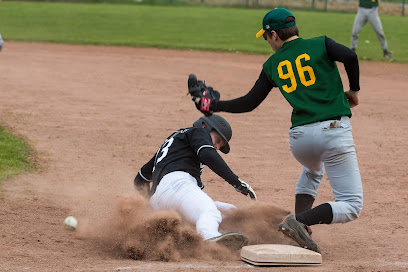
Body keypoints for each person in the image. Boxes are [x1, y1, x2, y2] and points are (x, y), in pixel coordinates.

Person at [188, 8, 363, 253]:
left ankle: (302, 229)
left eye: (266, 37)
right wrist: (353, 91)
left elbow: (249, 102)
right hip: (333, 132)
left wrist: (211, 106)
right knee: (352, 205)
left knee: (313, 170)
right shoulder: (321, 44)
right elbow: (350, 57)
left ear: (274, 35)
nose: (267, 42)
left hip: (300, 140)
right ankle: (299, 221)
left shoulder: (272, 64)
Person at [133, 114, 256, 250]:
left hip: (162, 200)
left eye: (220, 145)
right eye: (218, 140)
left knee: (229, 212)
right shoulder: (197, 132)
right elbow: (208, 154)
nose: (216, 146)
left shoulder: (174, 144)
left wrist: (151, 205)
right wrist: (236, 182)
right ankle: (210, 238)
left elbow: (140, 179)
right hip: (177, 185)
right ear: (205, 126)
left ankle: (248, 230)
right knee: (209, 212)